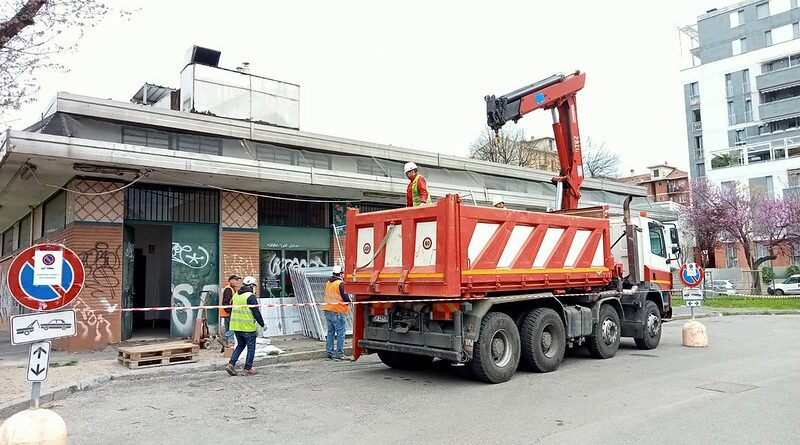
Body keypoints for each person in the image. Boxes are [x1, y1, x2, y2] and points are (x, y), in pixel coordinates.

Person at [225, 276, 265, 376]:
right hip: (247, 327)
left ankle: (231, 364)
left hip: (236, 326)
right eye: (254, 286)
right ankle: (248, 367)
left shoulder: (236, 295)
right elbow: (256, 312)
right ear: (252, 286)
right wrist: (262, 324)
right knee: (251, 347)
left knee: (240, 345)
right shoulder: (250, 296)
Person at [323, 265, 351, 360]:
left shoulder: (328, 283)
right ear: (341, 274)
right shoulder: (340, 283)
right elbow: (346, 298)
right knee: (341, 332)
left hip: (328, 309)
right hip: (337, 310)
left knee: (330, 332)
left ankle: (329, 353)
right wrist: (350, 301)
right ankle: (339, 353)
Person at [220, 274, 241, 347]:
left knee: (228, 329)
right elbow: (225, 302)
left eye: (238, 280)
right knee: (235, 328)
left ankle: (226, 346)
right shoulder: (228, 289)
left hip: (227, 313)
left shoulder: (232, 289)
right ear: (231, 280)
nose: (237, 282)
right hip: (228, 313)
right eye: (236, 280)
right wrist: (230, 312)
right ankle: (224, 338)